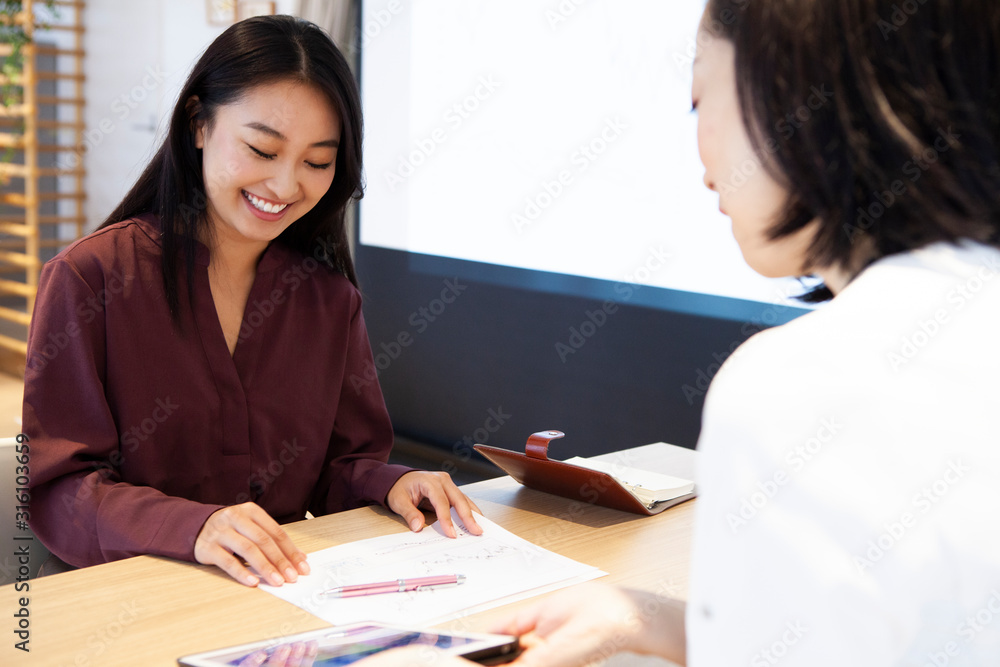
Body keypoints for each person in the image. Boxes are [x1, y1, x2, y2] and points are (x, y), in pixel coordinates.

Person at [359, 0, 1000, 665]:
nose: (703, 166)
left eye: (699, 102)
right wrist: (646, 616)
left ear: (790, 86)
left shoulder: (804, 387)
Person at [24, 15, 482, 589]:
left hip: (281, 601)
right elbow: (60, 489)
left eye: (317, 162)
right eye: (262, 149)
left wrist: (389, 483)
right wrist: (194, 527)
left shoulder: (328, 299)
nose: (287, 186)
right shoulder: (90, 279)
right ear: (198, 124)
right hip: (131, 600)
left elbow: (342, 469)